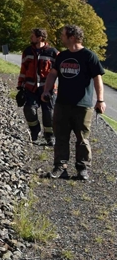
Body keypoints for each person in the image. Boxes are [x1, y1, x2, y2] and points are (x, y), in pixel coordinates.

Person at [42, 25, 106, 181]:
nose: (61, 37)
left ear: (72, 37)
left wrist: (100, 100)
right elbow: (52, 74)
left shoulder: (89, 56)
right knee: (61, 137)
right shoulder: (62, 56)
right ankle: (60, 167)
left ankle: (82, 169)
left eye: (63, 35)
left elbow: (98, 79)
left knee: (82, 139)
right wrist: (46, 90)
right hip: (62, 104)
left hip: (83, 106)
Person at [17, 28, 59, 145]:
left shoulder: (53, 52)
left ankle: (50, 136)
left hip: (48, 89)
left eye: (33, 35)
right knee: (29, 110)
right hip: (31, 88)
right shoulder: (27, 51)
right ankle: (35, 130)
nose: (31, 37)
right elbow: (23, 70)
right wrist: (20, 86)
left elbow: (59, 72)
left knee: (49, 113)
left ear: (40, 38)